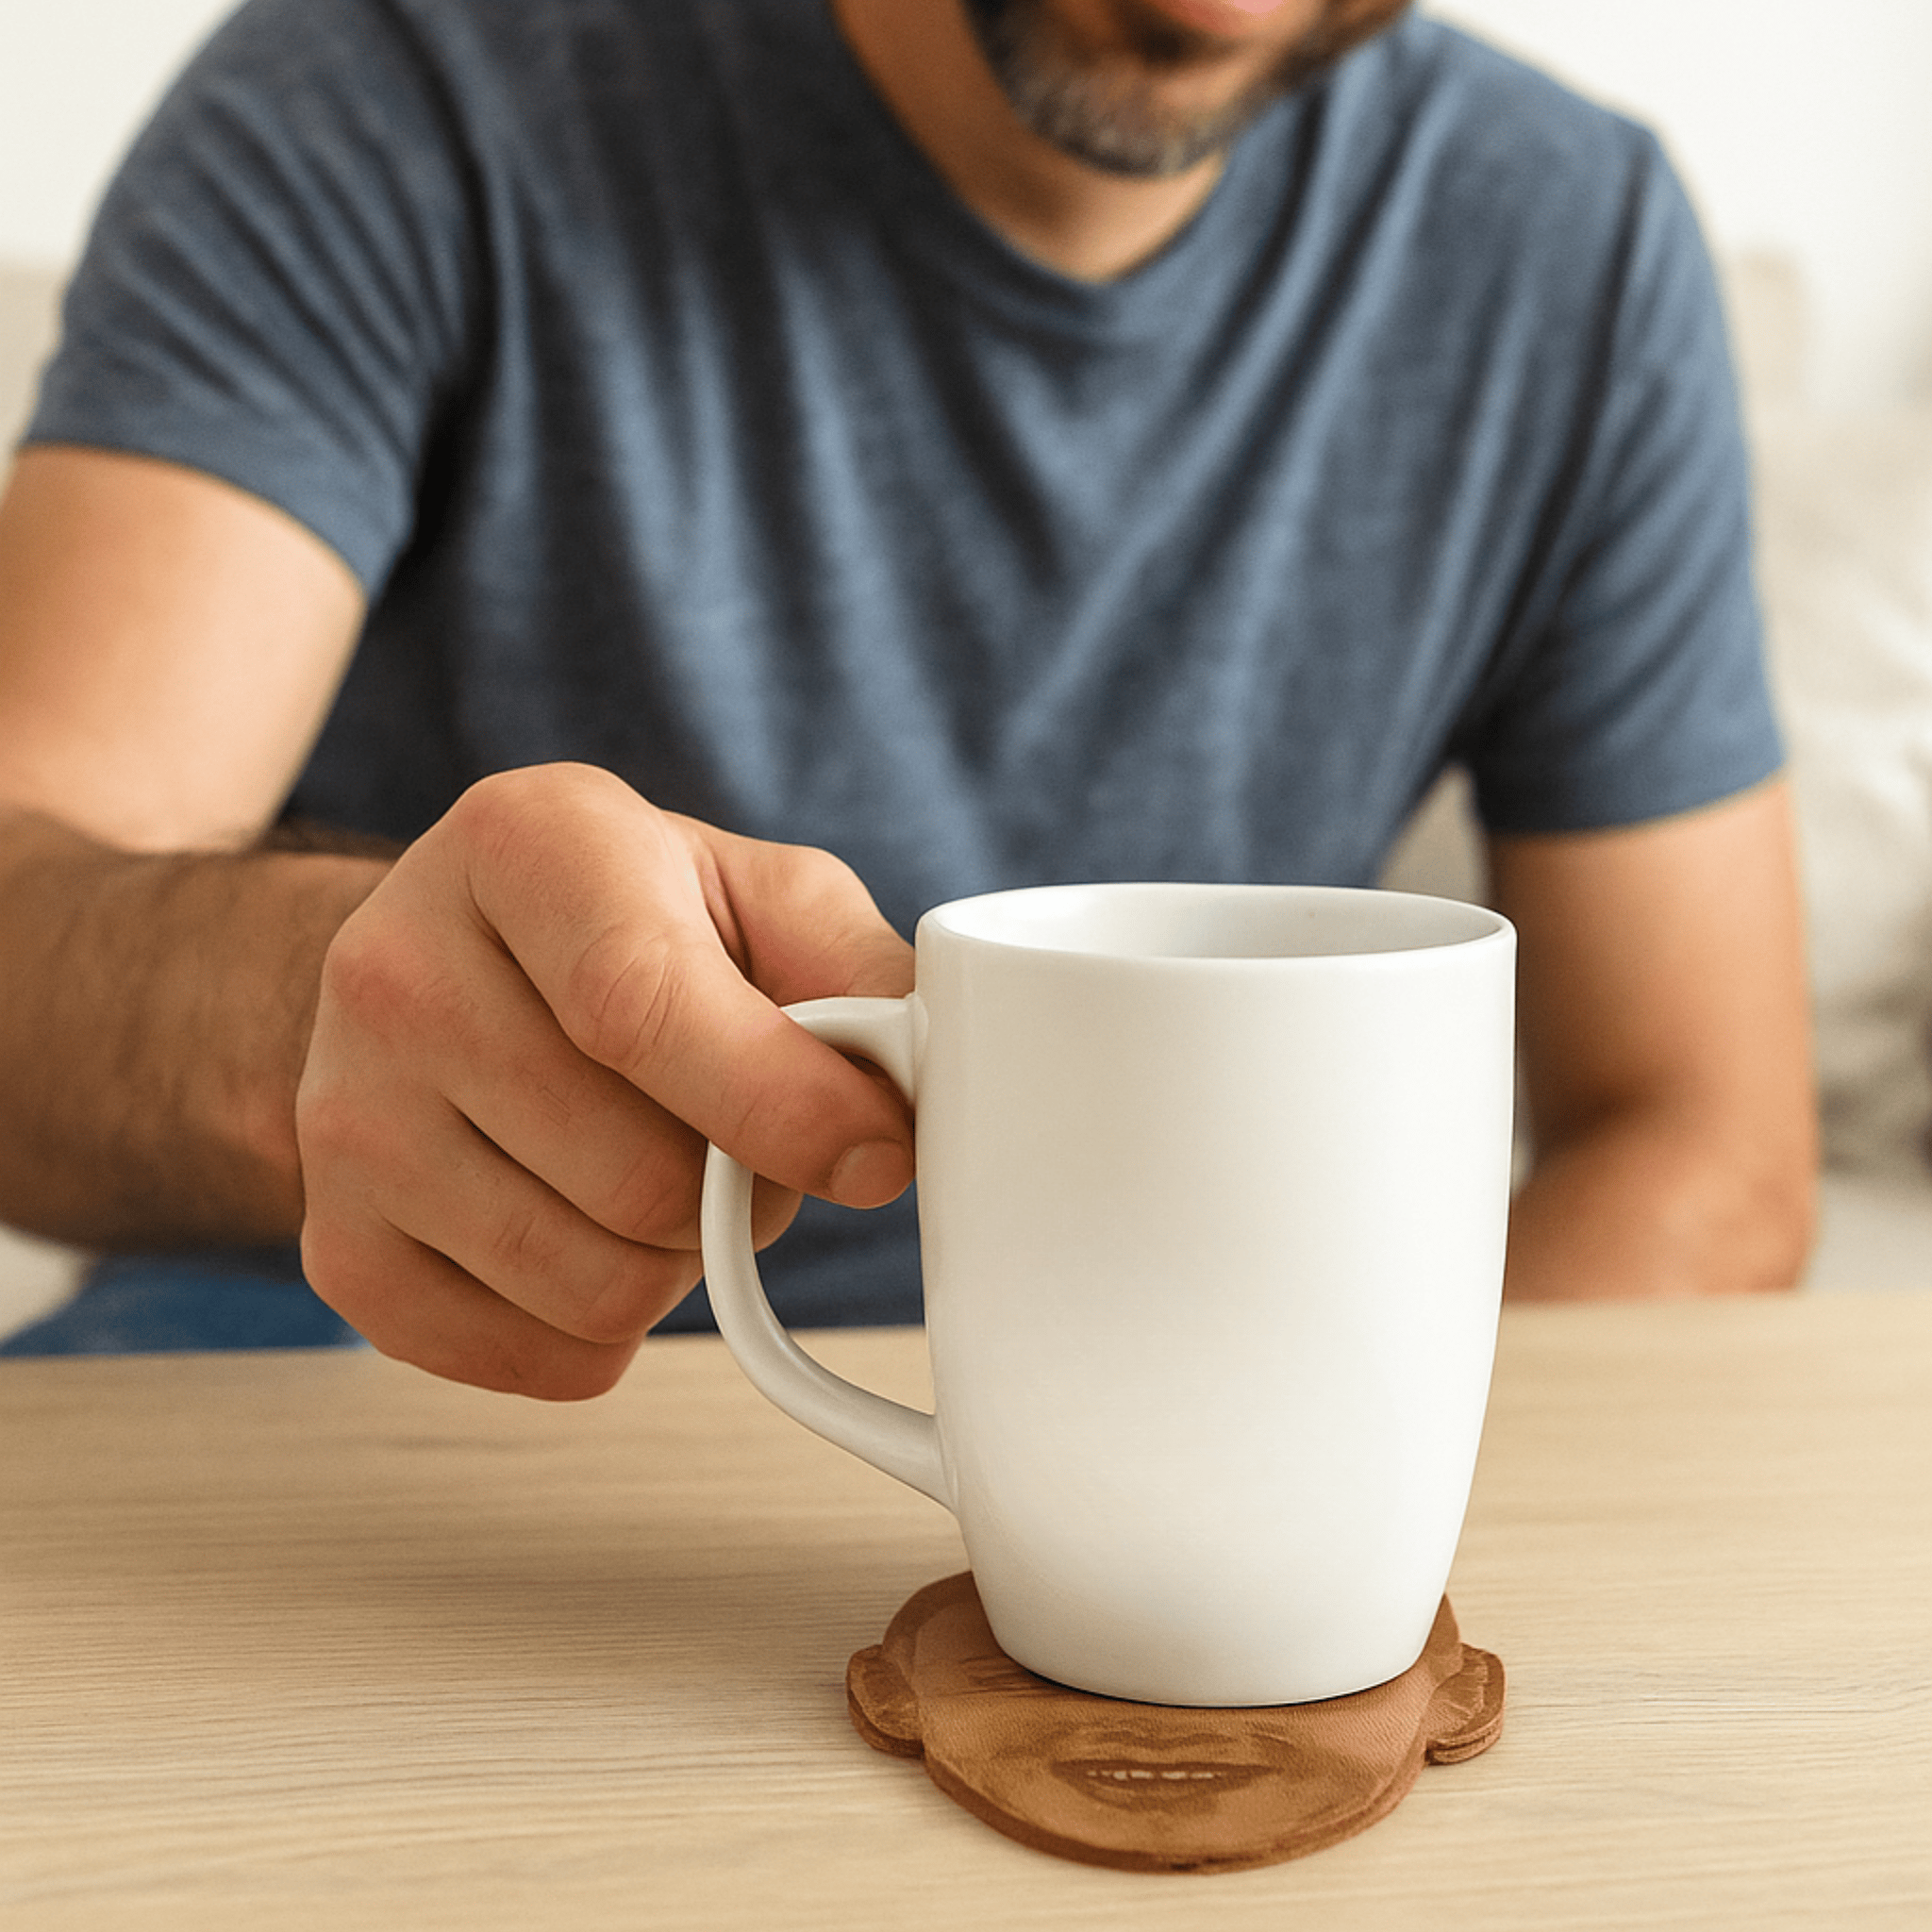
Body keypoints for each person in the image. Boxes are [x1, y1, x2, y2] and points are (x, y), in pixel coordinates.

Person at [0, 0, 1815, 1393]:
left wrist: (1297, 1466)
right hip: (350, 1412)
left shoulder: (1571, 248)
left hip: (1139, 1464)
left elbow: (1707, 1150)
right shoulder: (394, 91)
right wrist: (306, 1009)